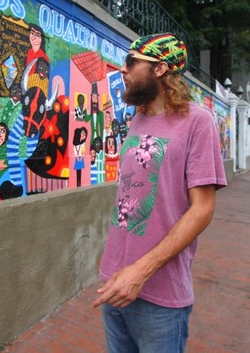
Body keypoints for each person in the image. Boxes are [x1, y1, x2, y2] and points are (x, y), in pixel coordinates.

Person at [92, 33, 227, 352]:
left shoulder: (198, 122)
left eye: (131, 62)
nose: (123, 70)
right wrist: (121, 272)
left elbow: (203, 209)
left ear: (160, 69)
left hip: (160, 298)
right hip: (115, 284)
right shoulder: (137, 120)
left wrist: (140, 271)